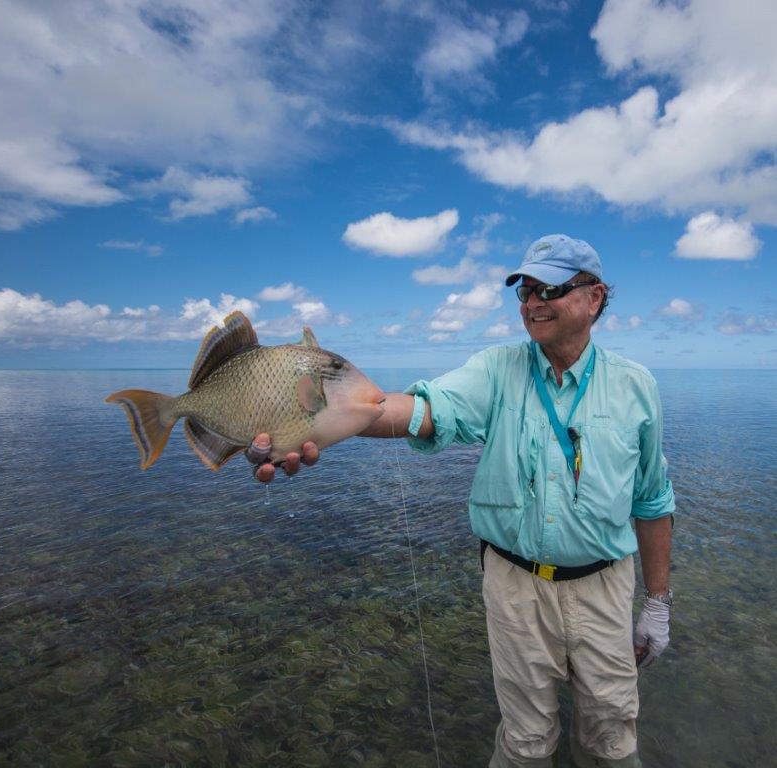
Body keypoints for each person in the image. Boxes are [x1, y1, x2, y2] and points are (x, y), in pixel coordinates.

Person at [249, 234, 674, 768]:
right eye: (524, 291)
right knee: (525, 743)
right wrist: (313, 421)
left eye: (550, 289)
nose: (533, 303)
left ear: (594, 297)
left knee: (612, 740)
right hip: (515, 587)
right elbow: (419, 410)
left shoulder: (638, 386)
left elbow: (653, 502)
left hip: (606, 587)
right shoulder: (496, 370)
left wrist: (657, 602)